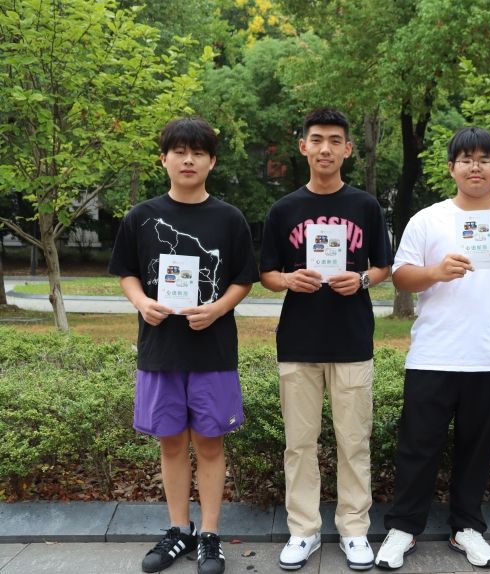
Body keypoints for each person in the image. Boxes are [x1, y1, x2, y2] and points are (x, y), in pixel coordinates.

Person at [373, 127, 490, 570]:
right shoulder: (428, 220)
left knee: (478, 449)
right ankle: (403, 528)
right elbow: (402, 276)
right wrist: (436, 273)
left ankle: (466, 527)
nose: (475, 167)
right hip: (434, 355)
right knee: (417, 447)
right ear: (451, 168)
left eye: (485, 159)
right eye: (466, 159)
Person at [109, 117, 259, 574]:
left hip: (213, 351)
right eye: (179, 151)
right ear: (164, 159)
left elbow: (243, 278)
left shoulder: (229, 218)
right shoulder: (141, 217)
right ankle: (179, 529)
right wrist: (141, 302)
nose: (188, 159)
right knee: (171, 443)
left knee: (210, 443)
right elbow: (127, 272)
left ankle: (210, 534)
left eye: (197, 152)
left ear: (212, 161)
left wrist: (217, 309)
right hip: (161, 351)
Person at [259, 108, 393, 571]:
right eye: (317, 139)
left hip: (351, 340)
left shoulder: (365, 206)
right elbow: (266, 273)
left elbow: (383, 266)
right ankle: (304, 530)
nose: (325, 149)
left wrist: (363, 279)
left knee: (354, 442)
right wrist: (287, 280)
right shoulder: (284, 210)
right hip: (298, 342)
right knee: (299, 443)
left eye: (335, 141)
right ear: (303, 147)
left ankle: (354, 529)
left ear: (348, 149)